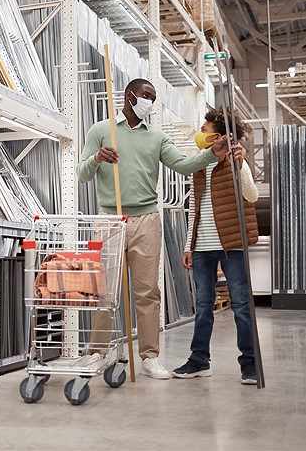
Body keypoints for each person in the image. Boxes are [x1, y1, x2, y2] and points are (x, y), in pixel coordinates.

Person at [77, 78, 229, 380]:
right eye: (147, 96)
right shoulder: (100, 131)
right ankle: (97, 353)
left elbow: (183, 166)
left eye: (154, 98)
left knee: (147, 292)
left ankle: (149, 357)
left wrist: (213, 154)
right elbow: (82, 175)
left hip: (146, 219)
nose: (150, 102)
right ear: (129, 96)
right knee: (103, 292)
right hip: (109, 219)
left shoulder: (157, 137)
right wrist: (97, 158)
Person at [171, 108, 259, 385]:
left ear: (218, 135)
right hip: (201, 247)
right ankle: (199, 360)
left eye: (205, 129)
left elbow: (251, 195)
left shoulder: (236, 160)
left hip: (230, 245)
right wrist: (188, 245)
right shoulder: (200, 163)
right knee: (203, 305)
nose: (201, 132)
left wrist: (240, 164)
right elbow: (194, 208)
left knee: (242, 305)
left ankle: (250, 364)